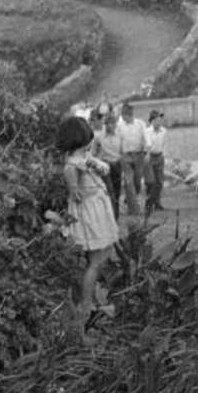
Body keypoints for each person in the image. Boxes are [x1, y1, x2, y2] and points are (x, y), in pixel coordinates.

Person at [56, 115, 118, 323]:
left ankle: (89, 301)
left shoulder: (85, 157)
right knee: (95, 261)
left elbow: (105, 168)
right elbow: (76, 193)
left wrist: (93, 164)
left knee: (99, 259)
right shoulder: (72, 165)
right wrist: (79, 180)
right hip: (91, 213)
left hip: (98, 208)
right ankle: (85, 305)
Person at [114, 102, 148, 217]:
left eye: (126, 114)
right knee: (129, 183)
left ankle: (130, 200)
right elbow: (117, 140)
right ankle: (134, 209)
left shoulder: (140, 124)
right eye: (123, 115)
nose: (123, 117)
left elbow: (146, 137)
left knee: (137, 182)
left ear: (130, 114)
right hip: (125, 156)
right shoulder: (119, 126)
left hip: (139, 155)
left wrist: (146, 149)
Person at [93, 112, 123, 219]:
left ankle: (116, 216)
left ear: (115, 124)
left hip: (117, 165)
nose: (110, 126)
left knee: (117, 192)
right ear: (105, 124)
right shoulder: (99, 137)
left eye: (112, 123)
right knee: (110, 193)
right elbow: (93, 154)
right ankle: (112, 218)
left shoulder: (120, 135)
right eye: (108, 124)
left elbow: (123, 152)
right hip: (105, 167)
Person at [144, 111, 168, 213]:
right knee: (151, 181)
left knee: (159, 181)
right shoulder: (147, 131)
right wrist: (148, 154)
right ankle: (149, 203)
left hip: (159, 156)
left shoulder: (164, 131)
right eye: (157, 120)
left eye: (160, 120)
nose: (159, 122)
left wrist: (164, 155)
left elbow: (164, 143)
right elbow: (148, 143)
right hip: (150, 156)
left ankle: (157, 202)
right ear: (152, 121)